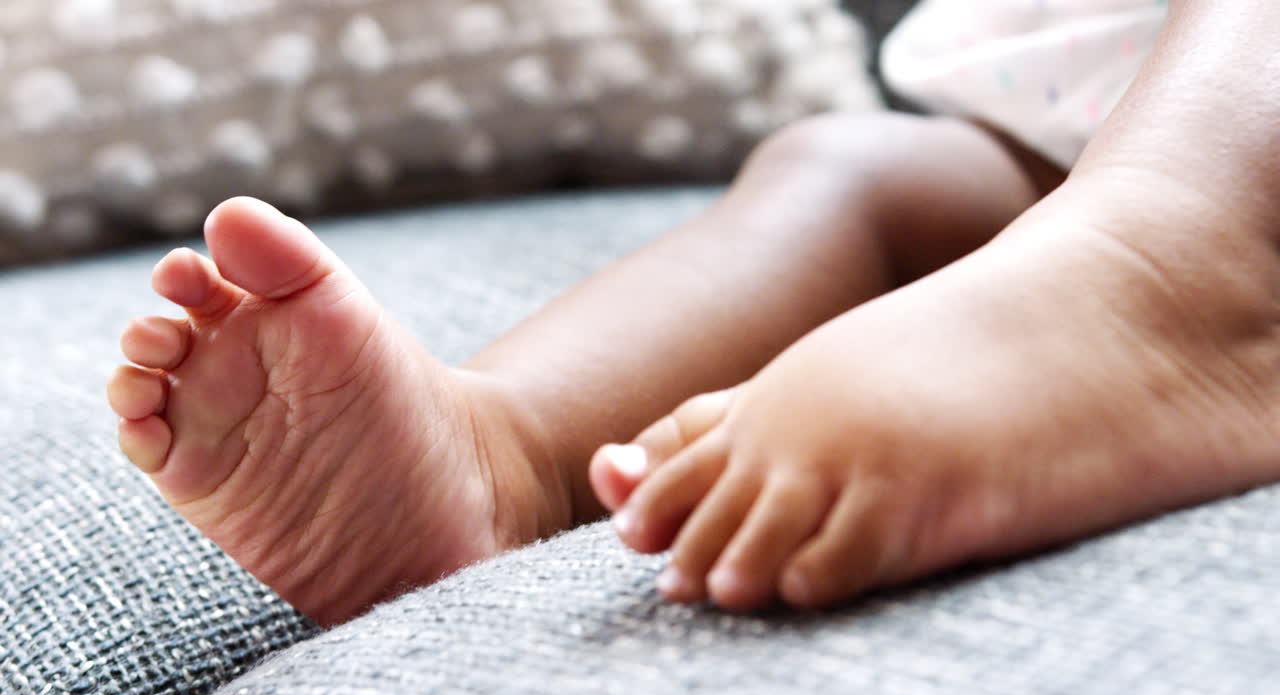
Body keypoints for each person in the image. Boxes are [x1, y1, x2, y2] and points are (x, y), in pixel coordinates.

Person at [107, 0, 1280, 627]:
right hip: (1071, 123)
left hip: (1201, 159)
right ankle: (511, 460)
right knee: (848, 176)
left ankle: (1187, 269)